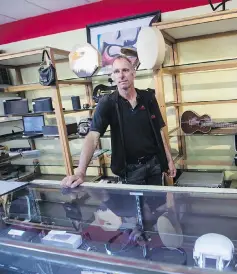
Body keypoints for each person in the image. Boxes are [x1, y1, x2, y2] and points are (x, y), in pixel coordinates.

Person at [61, 55, 176, 188]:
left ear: (133, 74)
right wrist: (80, 172)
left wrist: (169, 161)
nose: (121, 75)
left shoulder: (148, 98)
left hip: (155, 165)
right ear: (113, 77)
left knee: (158, 206)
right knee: (134, 208)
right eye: (116, 71)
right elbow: (93, 136)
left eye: (125, 70)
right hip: (130, 171)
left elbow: (160, 131)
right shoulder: (107, 103)